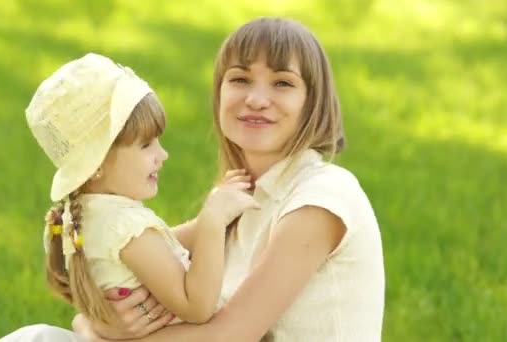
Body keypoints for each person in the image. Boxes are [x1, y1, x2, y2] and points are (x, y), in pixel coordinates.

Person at [73, 17, 385, 341]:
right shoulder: (239, 198)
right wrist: (99, 323)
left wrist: (96, 337)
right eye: (240, 79)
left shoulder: (322, 198)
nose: (256, 99)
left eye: (283, 83)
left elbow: (232, 335)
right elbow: (123, 254)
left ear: (312, 102)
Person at [0, 53, 260, 341]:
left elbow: (160, 246)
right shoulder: (126, 227)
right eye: (146, 144)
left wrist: (209, 218)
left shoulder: (77, 217)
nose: (163, 155)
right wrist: (212, 223)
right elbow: (197, 307)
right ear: (97, 163)